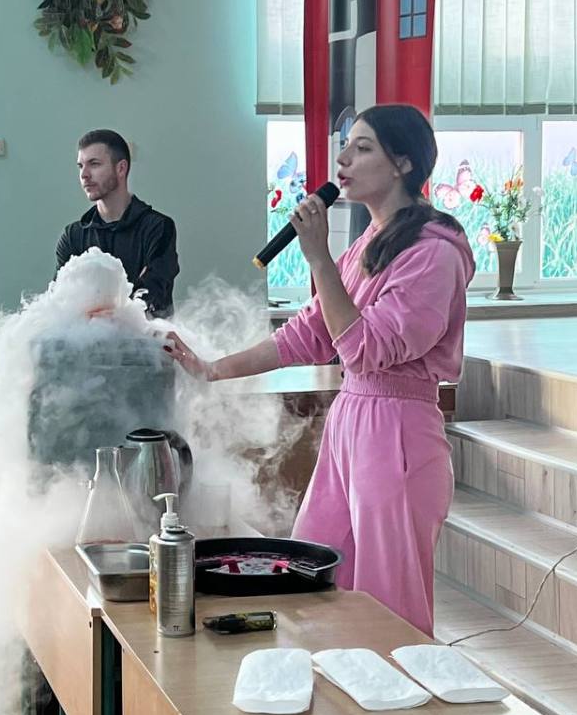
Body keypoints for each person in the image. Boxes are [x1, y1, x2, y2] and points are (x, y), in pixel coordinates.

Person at [167, 104, 475, 635]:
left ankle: (397, 686)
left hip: (399, 427)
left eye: (363, 147)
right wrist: (212, 369)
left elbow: (364, 348)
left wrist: (317, 259)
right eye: (345, 145)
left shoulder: (434, 253)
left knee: (388, 596)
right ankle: (331, 679)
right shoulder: (368, 245)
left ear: (403, 163)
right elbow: (308, 333)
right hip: (351, 419)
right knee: (315, 566)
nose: (343, 158)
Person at [55, 129, 179, 317]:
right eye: (80, 166)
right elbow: (59, 302)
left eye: (94, 164)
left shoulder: (158, 227)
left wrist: (106, 314)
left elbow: (152, 296)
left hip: (148, 335)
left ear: (121, 168)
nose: (84, 174)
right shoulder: (73, 236)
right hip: (83, 336)